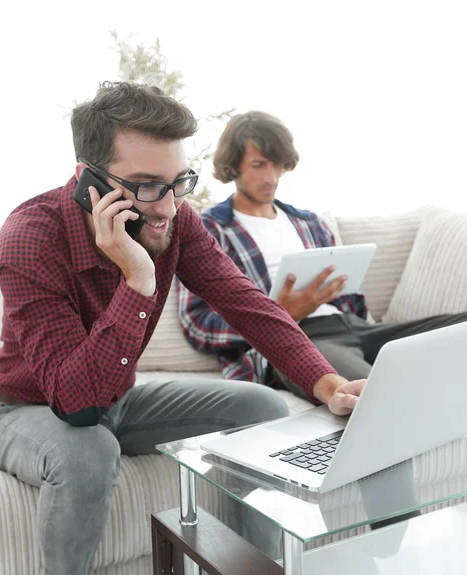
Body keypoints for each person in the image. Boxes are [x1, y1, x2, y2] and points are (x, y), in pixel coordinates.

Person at [0, 83, 365, 575]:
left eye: (176, 182)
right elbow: (74, 404)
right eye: (144, 186)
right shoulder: (30, 235)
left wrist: (327, 382)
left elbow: (245, 302)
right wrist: (137, 280)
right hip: (32, 410)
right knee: (88, 450)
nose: (167, 206)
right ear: (87, 181)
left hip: (117, 395)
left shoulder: (176, 218)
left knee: (261, 402)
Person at [177, 110, 467, 399]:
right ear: (233, 166)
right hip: (299, 341)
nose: (272, 177)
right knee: (372, 396)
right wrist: (281, 313)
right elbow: (197, 322)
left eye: (278, 165)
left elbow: (352, 296)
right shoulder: (210, 228)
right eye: (259, 165)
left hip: (355, 327)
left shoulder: (309, 223)